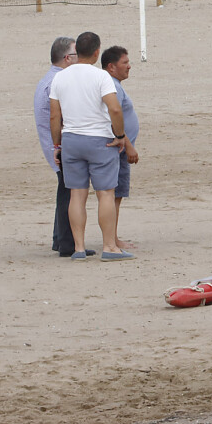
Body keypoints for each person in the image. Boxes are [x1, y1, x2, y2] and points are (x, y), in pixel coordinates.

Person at [49, 31, 133, 261]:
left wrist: (57, 144)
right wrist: (120, 134)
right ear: (97, 52)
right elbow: (114, 109)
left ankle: (78, 247)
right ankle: (109, 246)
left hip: (72, 139)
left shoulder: (60, 77)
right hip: (99, 139)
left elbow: (55, 117)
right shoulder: (100, 77)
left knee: (77, 194)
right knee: (105, 193)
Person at [33, 36, 94, 258]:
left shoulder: (50, 79)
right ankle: (68, 242)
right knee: (71, 192)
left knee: (65, 190)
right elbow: (57, 118)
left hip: (56, 144)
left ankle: (61, 239)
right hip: (59, 145)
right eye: (77, 55)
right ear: (68, 58)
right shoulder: (57, 81)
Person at [101, 46, 140, 252]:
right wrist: (129, 145)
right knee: (114, 195)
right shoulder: (112, 87)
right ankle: (112, 240)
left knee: (116, 195)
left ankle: (113, 238)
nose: (129, 66)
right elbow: (112, 117)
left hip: (121, 148)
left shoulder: (114, 85)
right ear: (111, 67)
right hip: (119, 149)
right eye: (125, 62)